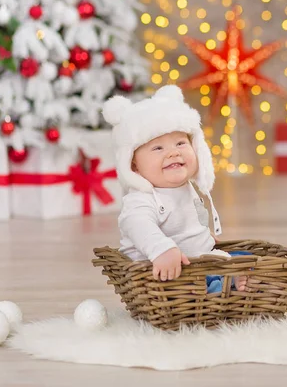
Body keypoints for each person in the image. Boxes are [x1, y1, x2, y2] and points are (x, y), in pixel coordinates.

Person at [102, 85, 248, 292]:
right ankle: (220, 288)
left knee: (244, 259)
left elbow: (191, 221)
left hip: (198, 260)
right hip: (164, 269)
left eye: (180, 143)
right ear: (134, 165)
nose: (173, 153)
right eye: (158, 148)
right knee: (192, 283)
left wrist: (203, 237)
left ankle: (230, 279)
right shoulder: (142, 198)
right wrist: (162, 249)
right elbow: (137, 226)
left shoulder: (188, 188)